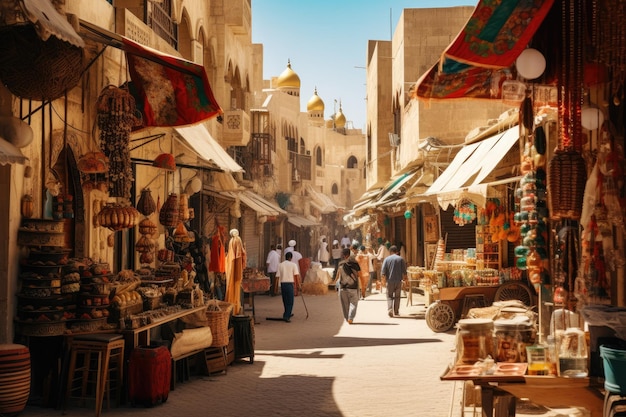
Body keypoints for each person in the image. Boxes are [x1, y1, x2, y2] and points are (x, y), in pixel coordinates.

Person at [380, 245, 407, 318]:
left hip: (390, 281)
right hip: (398, 281)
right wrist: (405, 280)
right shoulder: (401, 259)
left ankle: (390, 309)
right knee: (397, 297)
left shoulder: (387, 259)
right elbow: (405, 272)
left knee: (389, 296)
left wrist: (383, 281)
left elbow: (383, 272)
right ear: (397, 252)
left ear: (390, 251)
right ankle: (396, 311)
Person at [225, 229, 246, 315]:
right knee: (235, 286)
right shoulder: (237, 240)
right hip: (235, 266)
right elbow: (240, 254)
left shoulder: (233, 240)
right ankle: (235, 309)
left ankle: (233, 308)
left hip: (232, 266)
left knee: (232, 286)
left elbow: (236, 254)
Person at [337, 248, 360, 324]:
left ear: (343, 255)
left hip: (343, 287)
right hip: (353, 287)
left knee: (345, 305)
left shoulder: (340, 264)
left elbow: (338, 276)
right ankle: (351, 318)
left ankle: (347, 318)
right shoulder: (355, 264)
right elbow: (359, 275)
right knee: (354, 303)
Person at [276, 251, 300, 322]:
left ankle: (287, 313)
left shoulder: (280, 265)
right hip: (290, 284)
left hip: (283, 284)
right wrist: (298, 285)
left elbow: (277, 276)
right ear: (291, 258)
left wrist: (276, 287)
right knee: (290, 301)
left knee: (285, 300)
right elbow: (296, 276)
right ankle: (286, 316)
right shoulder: (293, 265)